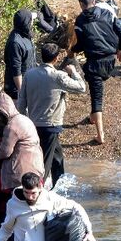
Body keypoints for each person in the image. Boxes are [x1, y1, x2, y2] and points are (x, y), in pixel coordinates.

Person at [16, 43, 87, 188]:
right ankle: (36, 191)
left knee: (57, 157)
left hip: (33, 125)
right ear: (56, 59)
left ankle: (59, 187)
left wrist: (22, 121)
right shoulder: (58, 76)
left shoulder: (29, 74)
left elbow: (22, 101)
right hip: (51, 126)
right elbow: (81, 87)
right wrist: (73, 71)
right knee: (45, 164)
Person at [70, 0, 121, 144]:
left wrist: (72, 51)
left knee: (97, 97)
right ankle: (91, 117)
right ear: (94, 2)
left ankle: (100, 135)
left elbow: (80, 45)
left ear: (82, 5)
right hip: (110, 60)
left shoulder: (80, 21)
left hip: (95, 62)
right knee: (97, 91)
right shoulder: (107, 14)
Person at [0, 91, 44, 191]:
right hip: (36, 168)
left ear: (2, 112)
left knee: (15, 201)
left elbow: (4, 153)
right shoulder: (24, 119)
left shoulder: (12, 126)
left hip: (19, 174)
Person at [2, 9, 36, 99]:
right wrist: (22, 93)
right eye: (31, 20)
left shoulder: (25, 34)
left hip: (27, 83)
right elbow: (16, 70)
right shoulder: (15, 43)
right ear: (26, 22)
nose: (32, 22)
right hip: (16, 91)